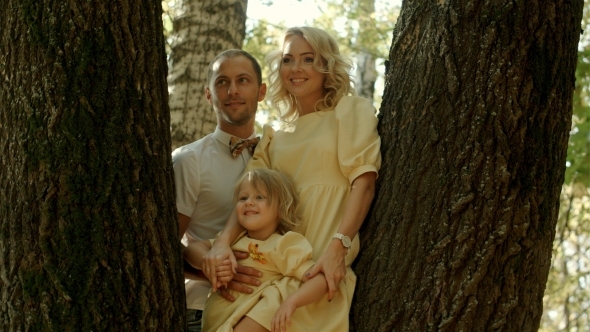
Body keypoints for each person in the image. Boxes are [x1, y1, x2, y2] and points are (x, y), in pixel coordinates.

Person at [203, 27, 382, 331]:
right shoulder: (274, 138)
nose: (296, 68)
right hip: (265, 271)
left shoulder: (349, 111)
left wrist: (339, 247)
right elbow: (246, 198)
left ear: (326, 66)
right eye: (288, 60)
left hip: (316, 274)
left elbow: (363, 184)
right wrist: (221, 244)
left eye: (308, 59)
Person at [172, 49, 267, 331]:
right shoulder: (189, 160)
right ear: (209, 94)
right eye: (222, 82)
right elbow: (163, 248)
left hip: (269, 310)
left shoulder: (277, 154)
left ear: (261, 91)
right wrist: (214, 275)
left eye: (243, 80)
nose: (232, 90)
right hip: (203, 309)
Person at [184, 169, 328, 332]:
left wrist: (292, 302)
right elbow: (191, 250)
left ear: (281, 208)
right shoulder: (232, 242)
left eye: (259, 197)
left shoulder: (283, 245)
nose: (249, 202)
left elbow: (319, 279)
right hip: (215, 324)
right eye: (243, 198)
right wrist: (210, 261)